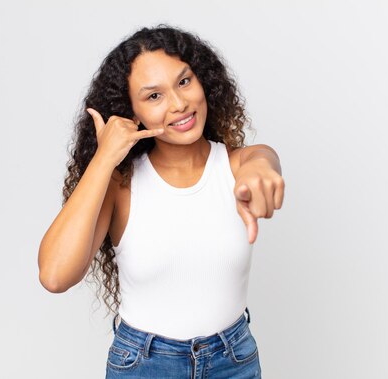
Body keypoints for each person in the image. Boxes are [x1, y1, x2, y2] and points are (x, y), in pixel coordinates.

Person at [38, 25, 285, 378]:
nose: (179, 103)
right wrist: (104, 158)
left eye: (184, 82)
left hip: (234, 363)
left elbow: (262, 159)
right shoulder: (120, 186)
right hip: (145, 364)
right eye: (154, 96)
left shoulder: (237, 165)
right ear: (130, 111)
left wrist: (261, 170)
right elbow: (55, 275)